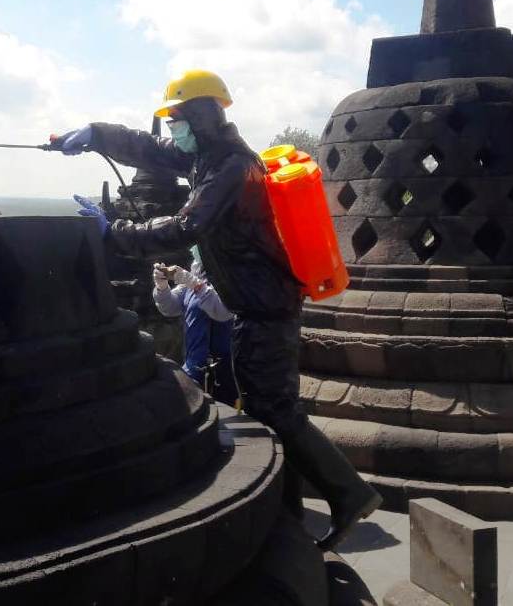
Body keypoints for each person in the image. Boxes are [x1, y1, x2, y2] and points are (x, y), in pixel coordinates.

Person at [62, 70, 381, 549]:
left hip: (265, 306)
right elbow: (150, 151)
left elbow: (188, 226)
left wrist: (117, 232)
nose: (174, 130)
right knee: (268, 410)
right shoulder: (207, 158)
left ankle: (349, 493)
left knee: (274, 409)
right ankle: (290, 514)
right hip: (254, 303)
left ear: (202, 116)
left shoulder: (230, 167)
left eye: (179, 119)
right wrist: (96, 135)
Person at [152, 250, 239, 406]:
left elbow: (223, 312)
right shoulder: (197, 271)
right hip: (194, 367)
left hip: (225, 371)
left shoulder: (231, 276)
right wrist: (162, 286)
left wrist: (193, 283)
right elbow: (171, 307)